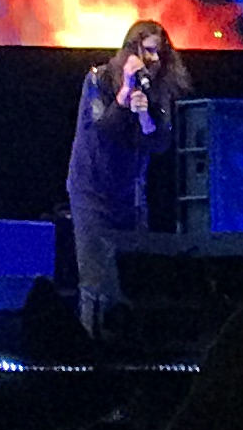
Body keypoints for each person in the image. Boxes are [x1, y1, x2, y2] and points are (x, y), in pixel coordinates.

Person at [66, 18, 187, 336]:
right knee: (96, 278)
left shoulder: (158, 89)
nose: (155, 59)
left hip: (130, 193)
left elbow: (159, 142)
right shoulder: (99, 79)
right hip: (92, 189)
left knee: (132, 274)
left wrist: (145, 114)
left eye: (159, 53)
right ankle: (91, 343)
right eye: (148, 51)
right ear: (132, 50)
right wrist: (123, 96)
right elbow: (103, 131)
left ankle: (129, 344)